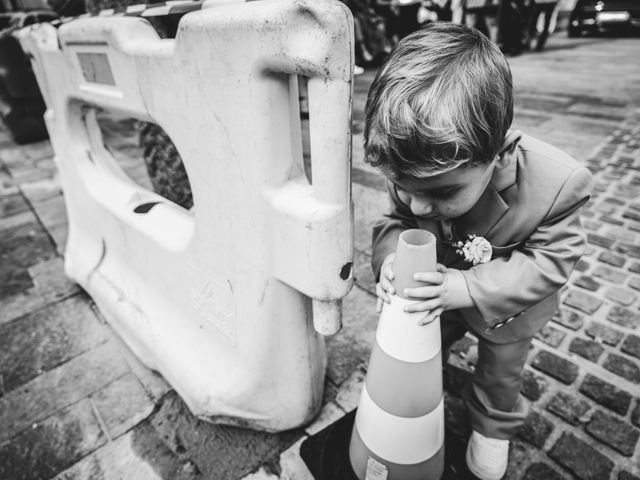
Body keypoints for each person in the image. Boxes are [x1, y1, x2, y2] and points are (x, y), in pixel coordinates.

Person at [367, 22, 592, 480]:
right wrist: (391, 257)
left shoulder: (558, 183)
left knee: (499, 374)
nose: (420, 204)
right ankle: (422, 392)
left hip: (506, 312)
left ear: (501, 152)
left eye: (444, 191)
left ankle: (492, 427)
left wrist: (468, 286)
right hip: (434, 297)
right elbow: (395, 222)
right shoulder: (416, 184)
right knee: (427, 347)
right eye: (403, 187)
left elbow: (550, 262)